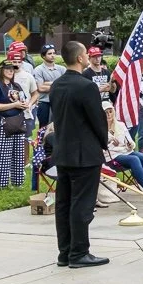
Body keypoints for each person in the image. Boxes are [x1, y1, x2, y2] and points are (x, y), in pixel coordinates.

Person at [49, 41, 110, 268]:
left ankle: (65, 252)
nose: (88, 56)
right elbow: (97, 119)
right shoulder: (86, 86)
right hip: (85, 154)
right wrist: (104, 142)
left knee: (64, 203)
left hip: (63, 151)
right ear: (80, 58)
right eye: (86, 53)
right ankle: (79, 253)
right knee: (82, 205)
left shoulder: (57, 85)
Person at [104, 103, 143, 199]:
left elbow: (131, 142)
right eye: (105, 112)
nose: (109, 114)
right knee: (134, 159)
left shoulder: (120, 125)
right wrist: (110, 140)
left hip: (125, 151)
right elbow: (101, 147)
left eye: (110, 111)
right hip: (111, 156)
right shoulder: (100, 128)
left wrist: (130, 145)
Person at [0, 60, 28, 191]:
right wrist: (13, 105)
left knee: (18, 153)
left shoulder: (17, 86)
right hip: (3, 122)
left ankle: (17, 182)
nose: (11, 71)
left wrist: (24, 104)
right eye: (8, 68)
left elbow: (23, 100)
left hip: (18, 122)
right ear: (2, 70)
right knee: (2, 154)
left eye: (13, 69)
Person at [33, 43, 66, 129]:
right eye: (49, 53)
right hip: (44, 103)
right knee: (44, 127)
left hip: (59, 102)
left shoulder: (62, 69)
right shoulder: (38, 70)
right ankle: (42, 142)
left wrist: (48, 83)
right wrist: (58, 84)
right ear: (43, 56)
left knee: (60, 127)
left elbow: (66, 86)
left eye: (54, 53)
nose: (52, 55)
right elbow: (40, 88)